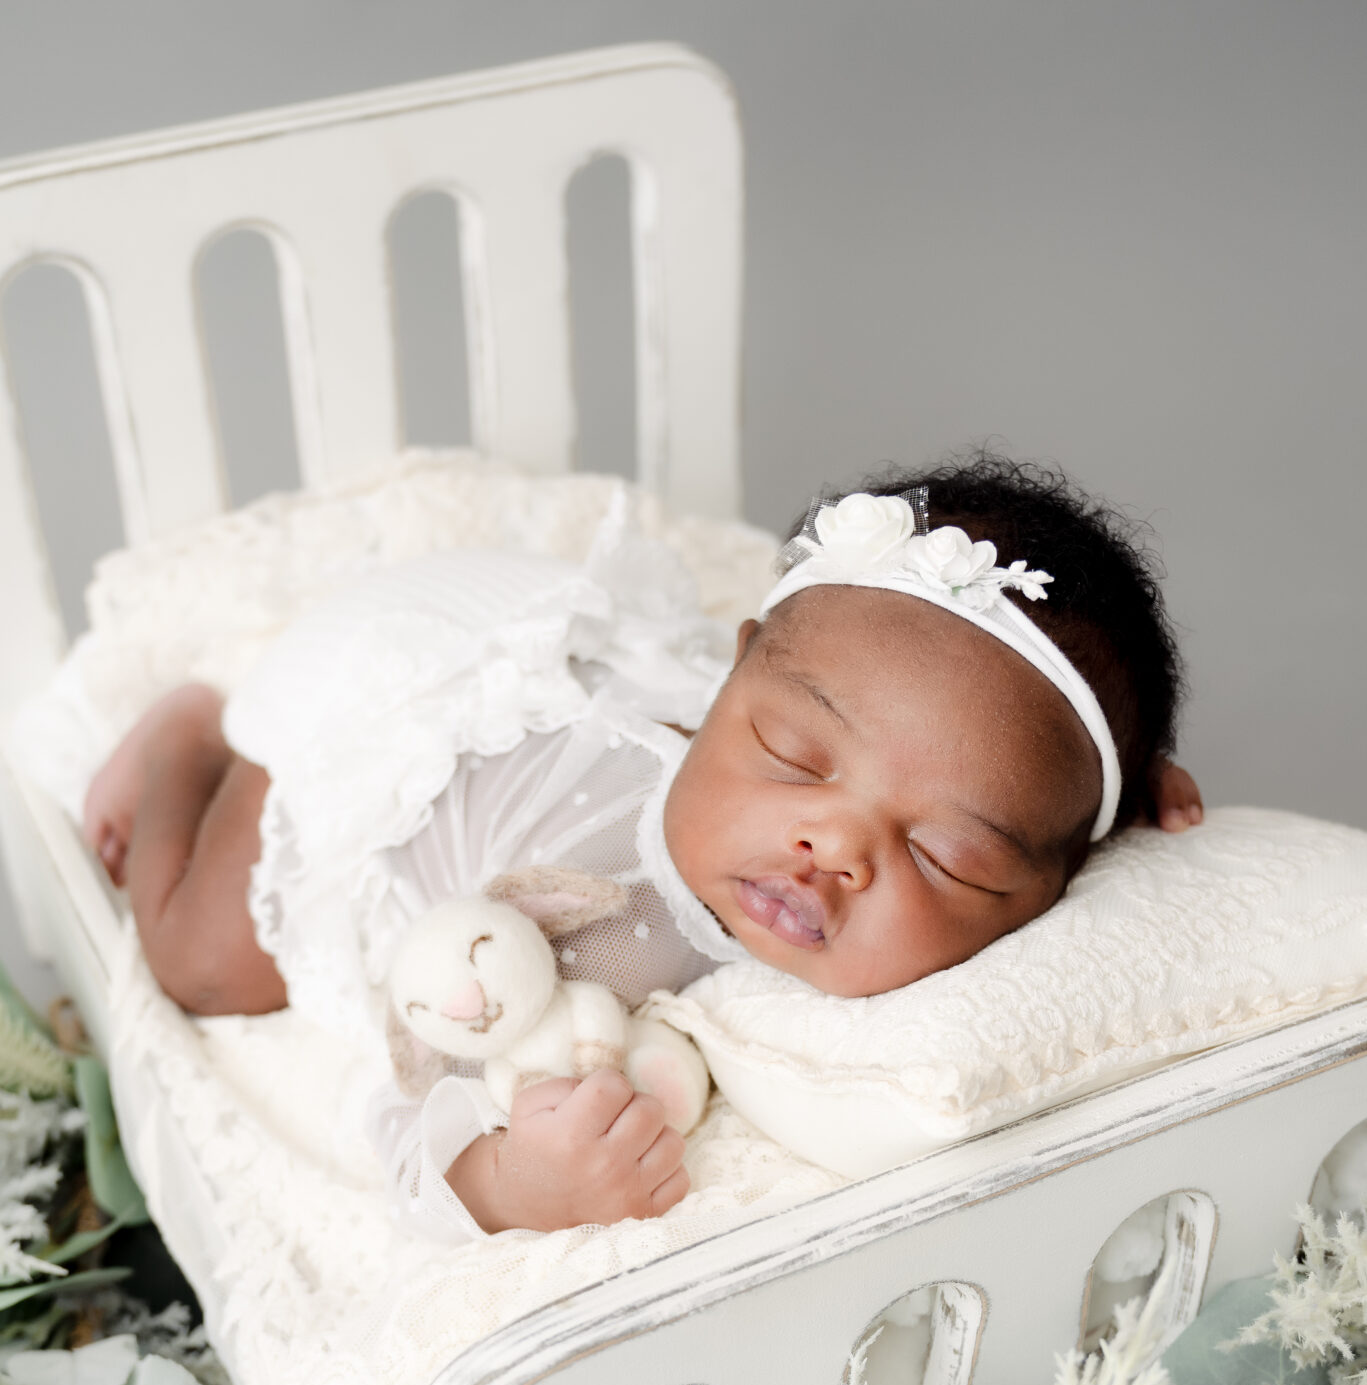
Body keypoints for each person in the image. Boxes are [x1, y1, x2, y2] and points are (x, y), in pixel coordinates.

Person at [81, 456, 1203, 1238]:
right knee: (204, 961)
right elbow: (407, 1095)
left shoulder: (1009, 830)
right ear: (734, 672)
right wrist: (513, 1177)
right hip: (396, 695)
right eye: (790, 753)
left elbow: (1027, 795)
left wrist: (1113, 802)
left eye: (949, 856)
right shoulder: (577, 912)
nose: (829, 845)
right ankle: (185, 733)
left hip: (542, 676)